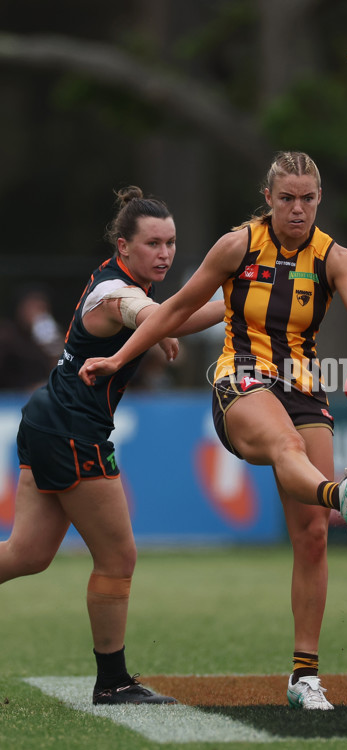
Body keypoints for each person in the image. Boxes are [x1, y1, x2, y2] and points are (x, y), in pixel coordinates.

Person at [79, 151, 347, 710]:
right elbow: (172, 310)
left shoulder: (334, 256)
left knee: (313, 537)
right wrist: (119, 358)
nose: (297, 209)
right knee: (288, 448)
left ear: (319, 200)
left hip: (305, 386)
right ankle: (338, 491)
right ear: (268, 198)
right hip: (241, 379)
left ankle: (305, 677)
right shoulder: (238, 245)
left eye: (308, 199)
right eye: (287, 198)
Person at [0, 186, 224, 705]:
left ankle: (114, 681)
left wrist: (171, 322)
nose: (164, 253)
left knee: (27, 553)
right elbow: (149, 314)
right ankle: (114, 683)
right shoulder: (114, 291)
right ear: (124, 248)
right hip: (71, 429)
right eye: (152, 244)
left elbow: (159, 315)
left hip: (48, 419)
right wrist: (216, 309)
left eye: (170, 242)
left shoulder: (124, 282)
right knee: (119, 558)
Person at [0, 285, 64, 391]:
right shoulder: (6, 335)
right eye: (32, 308)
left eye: (42, 309)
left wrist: (54, 348)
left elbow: (60, 374)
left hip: (36, 397)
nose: (37, 314)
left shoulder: (51, 337)